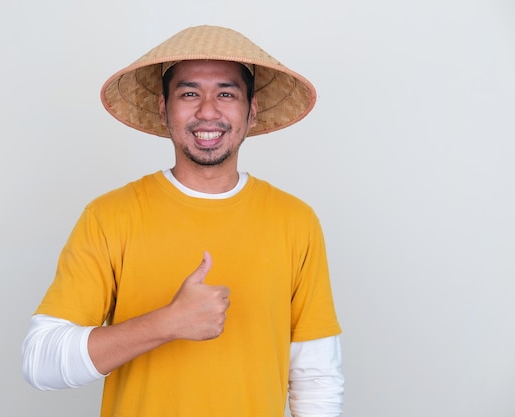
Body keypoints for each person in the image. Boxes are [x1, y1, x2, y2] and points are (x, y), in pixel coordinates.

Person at [22, 25, 344, 417]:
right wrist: (167, 323)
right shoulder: (110, 215)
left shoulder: (295, 220)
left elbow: (315, 376)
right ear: (163, 109)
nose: (208, 110)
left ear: (252, 110)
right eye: (189, 93)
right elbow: (40, 363)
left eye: (226, 93)